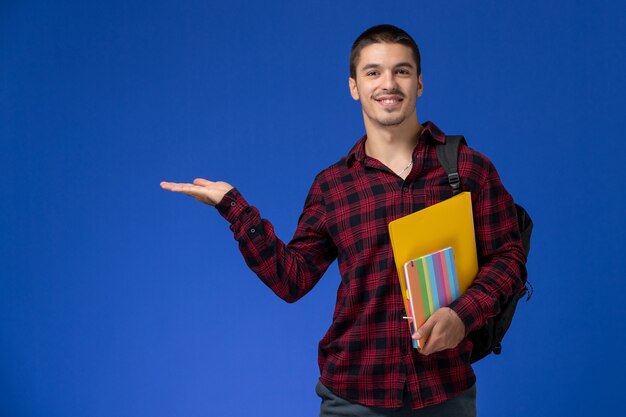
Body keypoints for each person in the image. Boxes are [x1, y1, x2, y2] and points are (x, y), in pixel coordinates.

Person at [161, 24, 526, 417]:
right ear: (354, 86)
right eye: (373, 72)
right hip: (353, 394)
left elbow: (508, 259)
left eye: (401, 71)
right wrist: (233, 207)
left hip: (444, 392)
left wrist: (461, 315)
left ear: (419, 83)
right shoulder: (333, 186)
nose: (389, 83)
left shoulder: (469, 170)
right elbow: (292, 279)